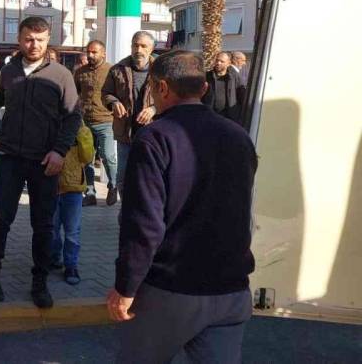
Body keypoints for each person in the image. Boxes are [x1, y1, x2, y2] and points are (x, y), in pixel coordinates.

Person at [109, 50, 257, 364]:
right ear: (204, 88)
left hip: (172, 288)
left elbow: (144, 226)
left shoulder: (154, 139)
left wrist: (126, 286)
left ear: (161, 88)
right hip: (231, 288)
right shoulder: (240, 138)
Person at [0, 16, 81, 308]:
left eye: (40, 40)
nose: (34, 45)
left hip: (45, 161)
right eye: (29, 39)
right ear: (19, 40)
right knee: (0, 219)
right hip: (9, 157)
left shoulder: (61, 75)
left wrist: (59, 151)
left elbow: (73, 116)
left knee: (43, 225)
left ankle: (40, 282)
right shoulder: (9, 70)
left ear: (48, 40)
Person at [101, 31, 157, 205]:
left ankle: (145, 211)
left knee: (149, 176)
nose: (138, 50)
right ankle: (127, 211)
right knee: (123, 177)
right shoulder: (118, 69)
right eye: (135, 45)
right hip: (125, 132)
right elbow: (106, 93)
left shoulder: (161, 70)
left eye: (143, 46)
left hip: (152, 134)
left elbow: (171, 97)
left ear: (151, 49)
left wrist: (154, 109)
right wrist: (114, 102)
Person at [74, 40, 118, 206]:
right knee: (86, 158)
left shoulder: (112, 71)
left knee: (108, 156)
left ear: (103, 53)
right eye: (89, 52)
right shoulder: (80, 72)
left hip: (106, 120)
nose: (90, 55)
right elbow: (74, 93)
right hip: (85, 122)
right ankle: (90, 192)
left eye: (94, 52)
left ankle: (113, 185)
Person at [50, 125, 94, 285]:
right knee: (52, 229)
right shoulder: (50, 124)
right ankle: (53, 257)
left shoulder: (82, 129)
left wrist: (81, 133)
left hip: (73, 187)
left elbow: (87, 157)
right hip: (51, 185)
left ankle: (71, 265)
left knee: (72, 231)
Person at [203, 51, 246, 123]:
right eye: (217, 60)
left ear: (228, 63)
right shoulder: (207, 76)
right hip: (210, 117)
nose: (218, 63)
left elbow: (242, 96)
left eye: (222, 61)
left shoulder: (234, 77)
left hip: (229, 118)